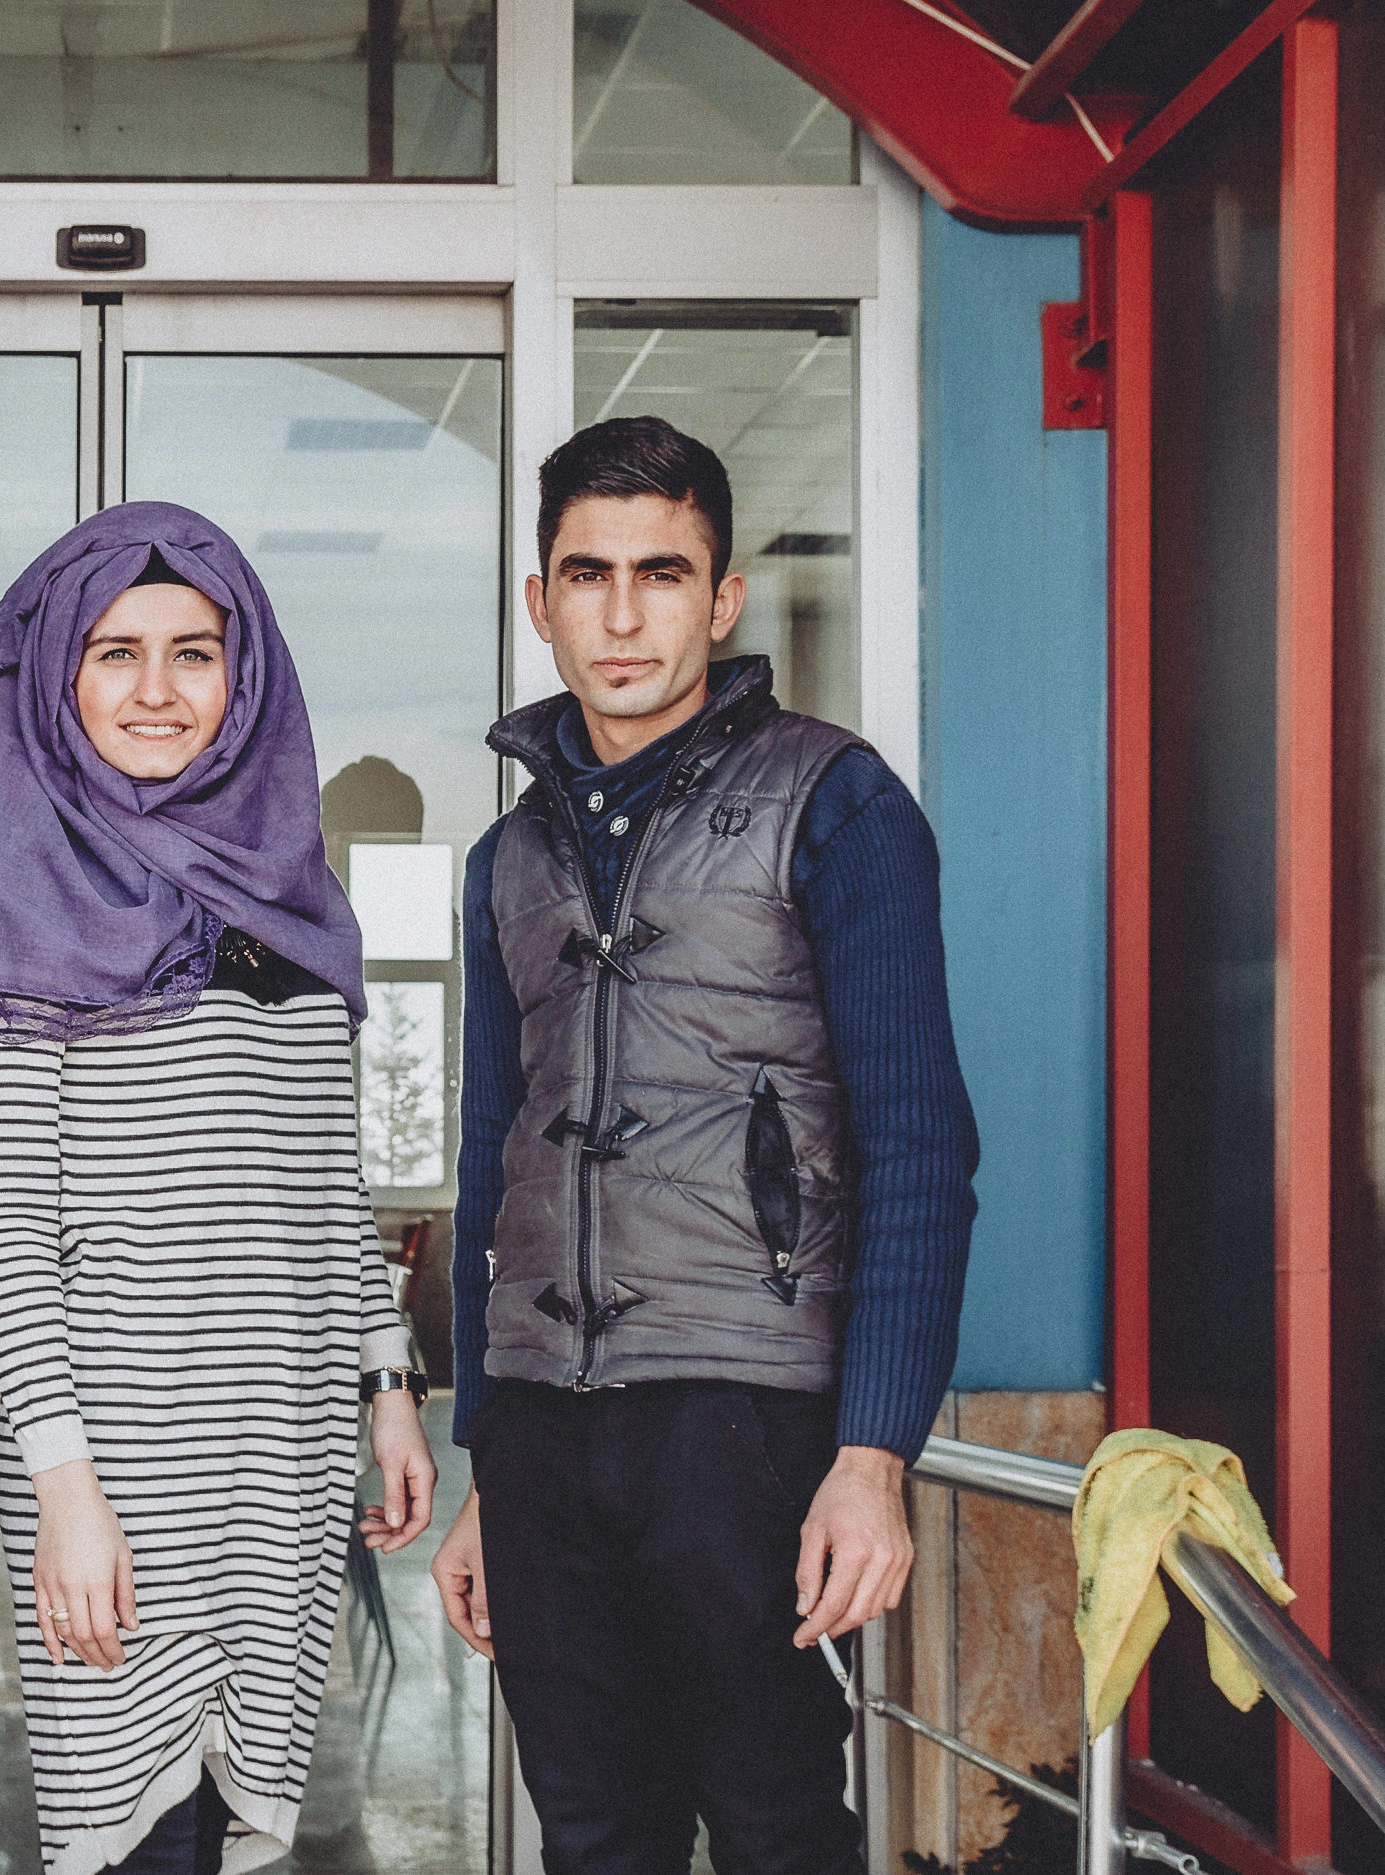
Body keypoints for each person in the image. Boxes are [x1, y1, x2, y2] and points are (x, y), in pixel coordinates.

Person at [427, 416, 978, 1874]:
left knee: (776, 1825)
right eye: (587, 574)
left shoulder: (837, 802)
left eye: (661, 573)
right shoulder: (508, 860)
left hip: (747, 1420)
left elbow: (920, 1148)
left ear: (722, 598)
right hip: (544, 1432)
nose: (622, 616)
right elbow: (494, 1166)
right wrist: (486, 1461)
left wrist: (873, 1452)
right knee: (593, 1834)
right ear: (539, 601)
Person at [0, 504, 438, 1875]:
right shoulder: (21, 910)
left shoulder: (294, 901)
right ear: (62, 680)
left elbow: (329, 1184)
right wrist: (64, 1490)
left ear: (244, 675)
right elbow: (10, 1233)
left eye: (193, 653)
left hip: (282, 1450)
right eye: (116, 653)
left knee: (229, 1834)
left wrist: (388, 1384)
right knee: (131, 1840)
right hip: (113, 1462)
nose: (156, 689)